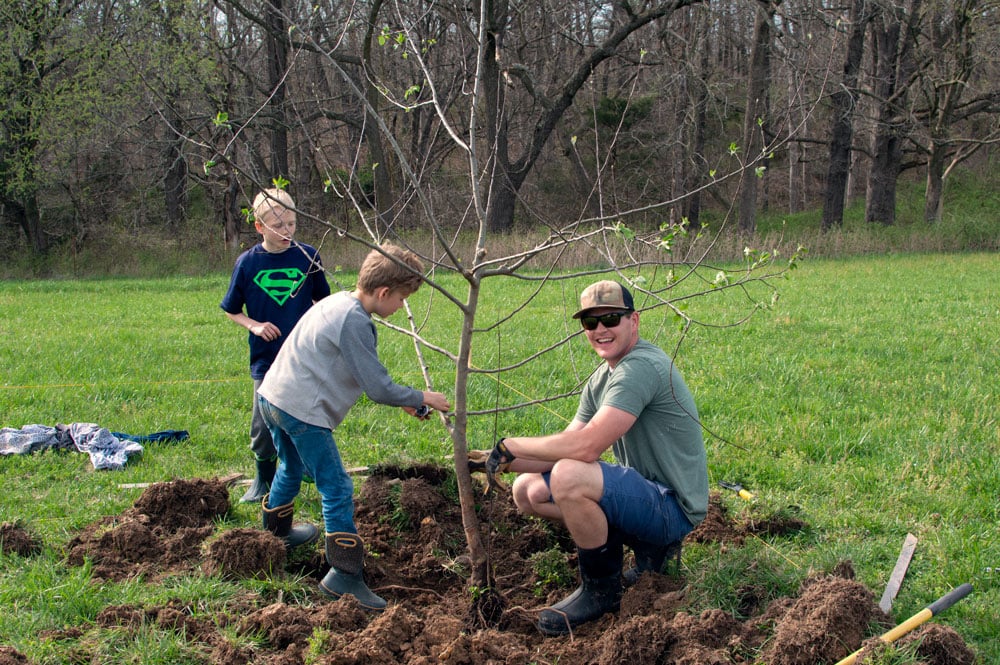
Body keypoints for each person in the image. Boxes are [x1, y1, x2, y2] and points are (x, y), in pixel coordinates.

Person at [477, 280, 708, 636]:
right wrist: (498, 461)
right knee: (527, 491)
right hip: (645, 494)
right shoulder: (603, 377)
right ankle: (648, 553)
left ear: (634, 320)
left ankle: (602, 591)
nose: (601, 329)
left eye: (611, 319)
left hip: (673, 507)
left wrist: (512, 445)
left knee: (571, 476)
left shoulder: (640, 368)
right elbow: (567, 441)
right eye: (590, 323)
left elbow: (585, 448)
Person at [257, 243, 451, 611]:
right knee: (337, 486)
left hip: (274, 398)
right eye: (402, 299)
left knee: (291, 466)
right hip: (302, 412)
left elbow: (356, 372)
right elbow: (377, 387)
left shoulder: (338, 302)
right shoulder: (356, 321)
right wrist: (423, 396)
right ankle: (344, 576)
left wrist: (407, 402)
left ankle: (275, 536)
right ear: (383, 292)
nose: (400, 307)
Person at [221, 188, 331, 503]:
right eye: (278, 226)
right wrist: (253, 325)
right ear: (259, 227)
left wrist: (313, 322)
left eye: (292, 225)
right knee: (263, 423)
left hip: (303, 357)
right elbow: (231, 309)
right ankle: (263, 479)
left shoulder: (308, 257)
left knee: (306, 415)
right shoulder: (247, 264)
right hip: (266, 360)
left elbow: (323, 302)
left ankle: (306, 467)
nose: (287, 232)